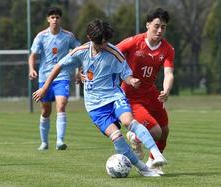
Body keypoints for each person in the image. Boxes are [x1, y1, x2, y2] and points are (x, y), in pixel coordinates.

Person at [33, 19, 166, 177]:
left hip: (113, 96)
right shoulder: (80, 51)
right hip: (95, 106)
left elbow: (126, 74)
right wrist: (44, 87)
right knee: (116, 137)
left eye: (105, 42)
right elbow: (58, 66)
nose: (103, 45)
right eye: (99, 43)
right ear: (90, 37)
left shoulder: (114, 52)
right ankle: (143, 168)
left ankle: (156, 153)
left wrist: (132, 80)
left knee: (128, 121)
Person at [117, 8, 175, 173]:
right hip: (131, 95)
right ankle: (135, 137)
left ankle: (152, 163)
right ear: (148, 24)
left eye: (163, 27)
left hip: (152, 94)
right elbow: (112, 53)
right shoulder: (134, 42)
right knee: (155, 132)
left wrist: (166, 90)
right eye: (156, 25)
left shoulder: (167, 49)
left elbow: (169, 73)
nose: (159, 30)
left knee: (164, 131)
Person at [28, 7, 80, 151]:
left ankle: (60, 141)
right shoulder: (41, 36)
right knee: (45, 111)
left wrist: (79, 72)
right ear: (48, 19)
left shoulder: (68, 36)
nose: (55, 20)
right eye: (52, 17)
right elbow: (32, 55)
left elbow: (80, 53)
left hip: (62, 77)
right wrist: (32, 69)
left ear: (60, 19)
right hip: (44, 78)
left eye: (57, 17)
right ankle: (44, 142)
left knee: (61, 105)